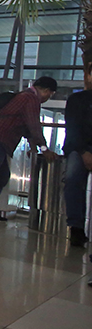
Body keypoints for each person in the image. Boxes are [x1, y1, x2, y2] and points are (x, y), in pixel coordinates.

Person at [0, 77, 59, 224]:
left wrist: (33, 146)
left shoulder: (24, 96)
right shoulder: (30, 98)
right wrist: (44, 148)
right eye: (51, 94)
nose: (49, 97)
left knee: (1, 175)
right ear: (47, 90)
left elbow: (26, 126)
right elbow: (33, 125)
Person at [63, 72, 92, 246]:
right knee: (72, 179)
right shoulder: (77, 99)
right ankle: (76, 227)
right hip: (78, 147)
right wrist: (83, 151)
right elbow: (72, 128)